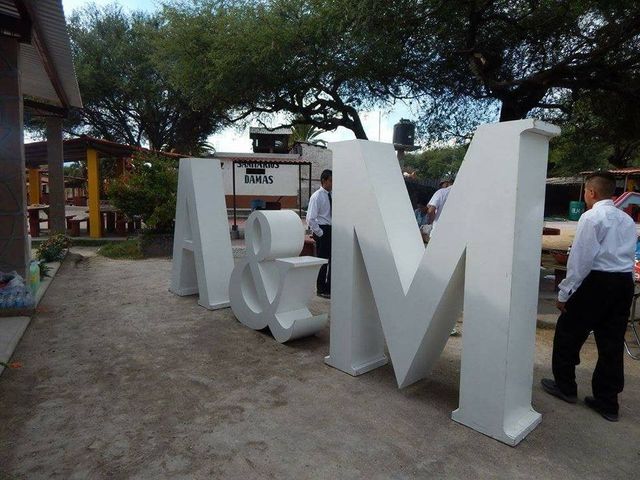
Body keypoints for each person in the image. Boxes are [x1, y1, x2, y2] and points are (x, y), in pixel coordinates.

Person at [541, 172, 637, 422]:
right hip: (622, 283)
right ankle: (607, 402)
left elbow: (581, 260)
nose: (584, 196)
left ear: (592, 192)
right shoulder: (626, 220)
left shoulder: (592, 217)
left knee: (568, 333)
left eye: (585, 191)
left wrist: (565, 292)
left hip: (596, 282)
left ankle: (566, 386)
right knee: (611, 343)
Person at [427, 178, 459, 336]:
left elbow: (431, 209)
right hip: (456, 238)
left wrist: (431, 221)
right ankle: (448, 321)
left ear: (445, 184)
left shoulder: (441, 193)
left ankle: (436, 317)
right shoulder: (463, 193)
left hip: (439, 236)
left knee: (435, 274)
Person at [307, 169, 332, 298]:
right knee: (323, 261)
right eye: (331, 180)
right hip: (323, 229)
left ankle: (330, 288)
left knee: (333, 260)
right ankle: (321, 288)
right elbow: (310, 218)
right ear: (324, 181)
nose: (333, 183)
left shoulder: (332, 195)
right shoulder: (317, 196)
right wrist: (320, 233)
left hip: (332, 229)